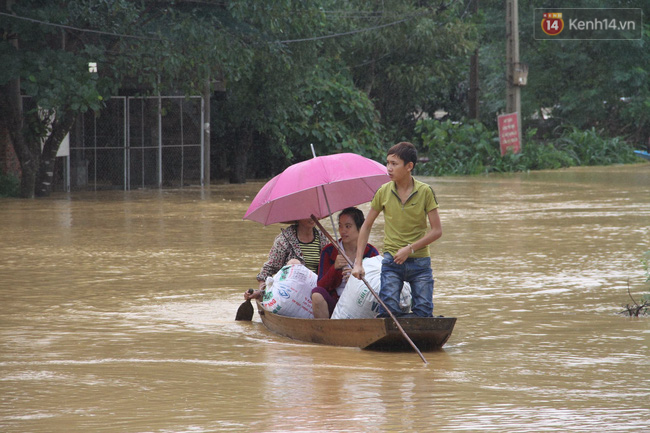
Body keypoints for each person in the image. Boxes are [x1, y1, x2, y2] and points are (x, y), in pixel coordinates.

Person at [351, 142, 442, 318]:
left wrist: (410, 248)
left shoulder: (425, 192)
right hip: (392, 261)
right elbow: (366, 226)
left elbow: (437, 231)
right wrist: (358, 262)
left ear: (409, 166)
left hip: (420, 262)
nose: (389, 168)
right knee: (388, 313)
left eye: (394, 164)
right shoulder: (383, 192)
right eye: (388, 163)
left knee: (424, 313)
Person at [311, 208, 379, 318]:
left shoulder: (371, 252)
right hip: (335, 301)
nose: (343, 231)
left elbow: (377, 285)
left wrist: (355, 282)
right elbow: (321, 285)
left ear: (361, 228)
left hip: (359, 304)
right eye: (340, 226)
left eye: (348, 226)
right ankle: (325, 332)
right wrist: (335, 268)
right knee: (316, 294)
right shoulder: (329, 251)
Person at [244, 218, 327, 301]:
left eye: (313, 214)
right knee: (294, 263)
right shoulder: (284, 240)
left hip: (316, 290)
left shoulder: (323, 239)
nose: (311, 217)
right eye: (307, 214)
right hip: (290, 292)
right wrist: (261, 291)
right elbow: (269, 269)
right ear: (298, 218)